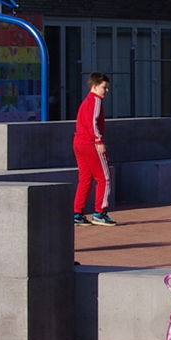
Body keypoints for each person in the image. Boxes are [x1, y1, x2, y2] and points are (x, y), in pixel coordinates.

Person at [73, 72, 117, 226]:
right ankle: (100, 212)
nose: (106, 90)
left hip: (79, 142)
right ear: (95, 86)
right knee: (104, 178)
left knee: (85, 179)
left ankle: (77, 213)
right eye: (104, 87)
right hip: (90, 143)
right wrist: (99, 141)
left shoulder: (86, 101)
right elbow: (93, 123)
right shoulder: (95, 101)